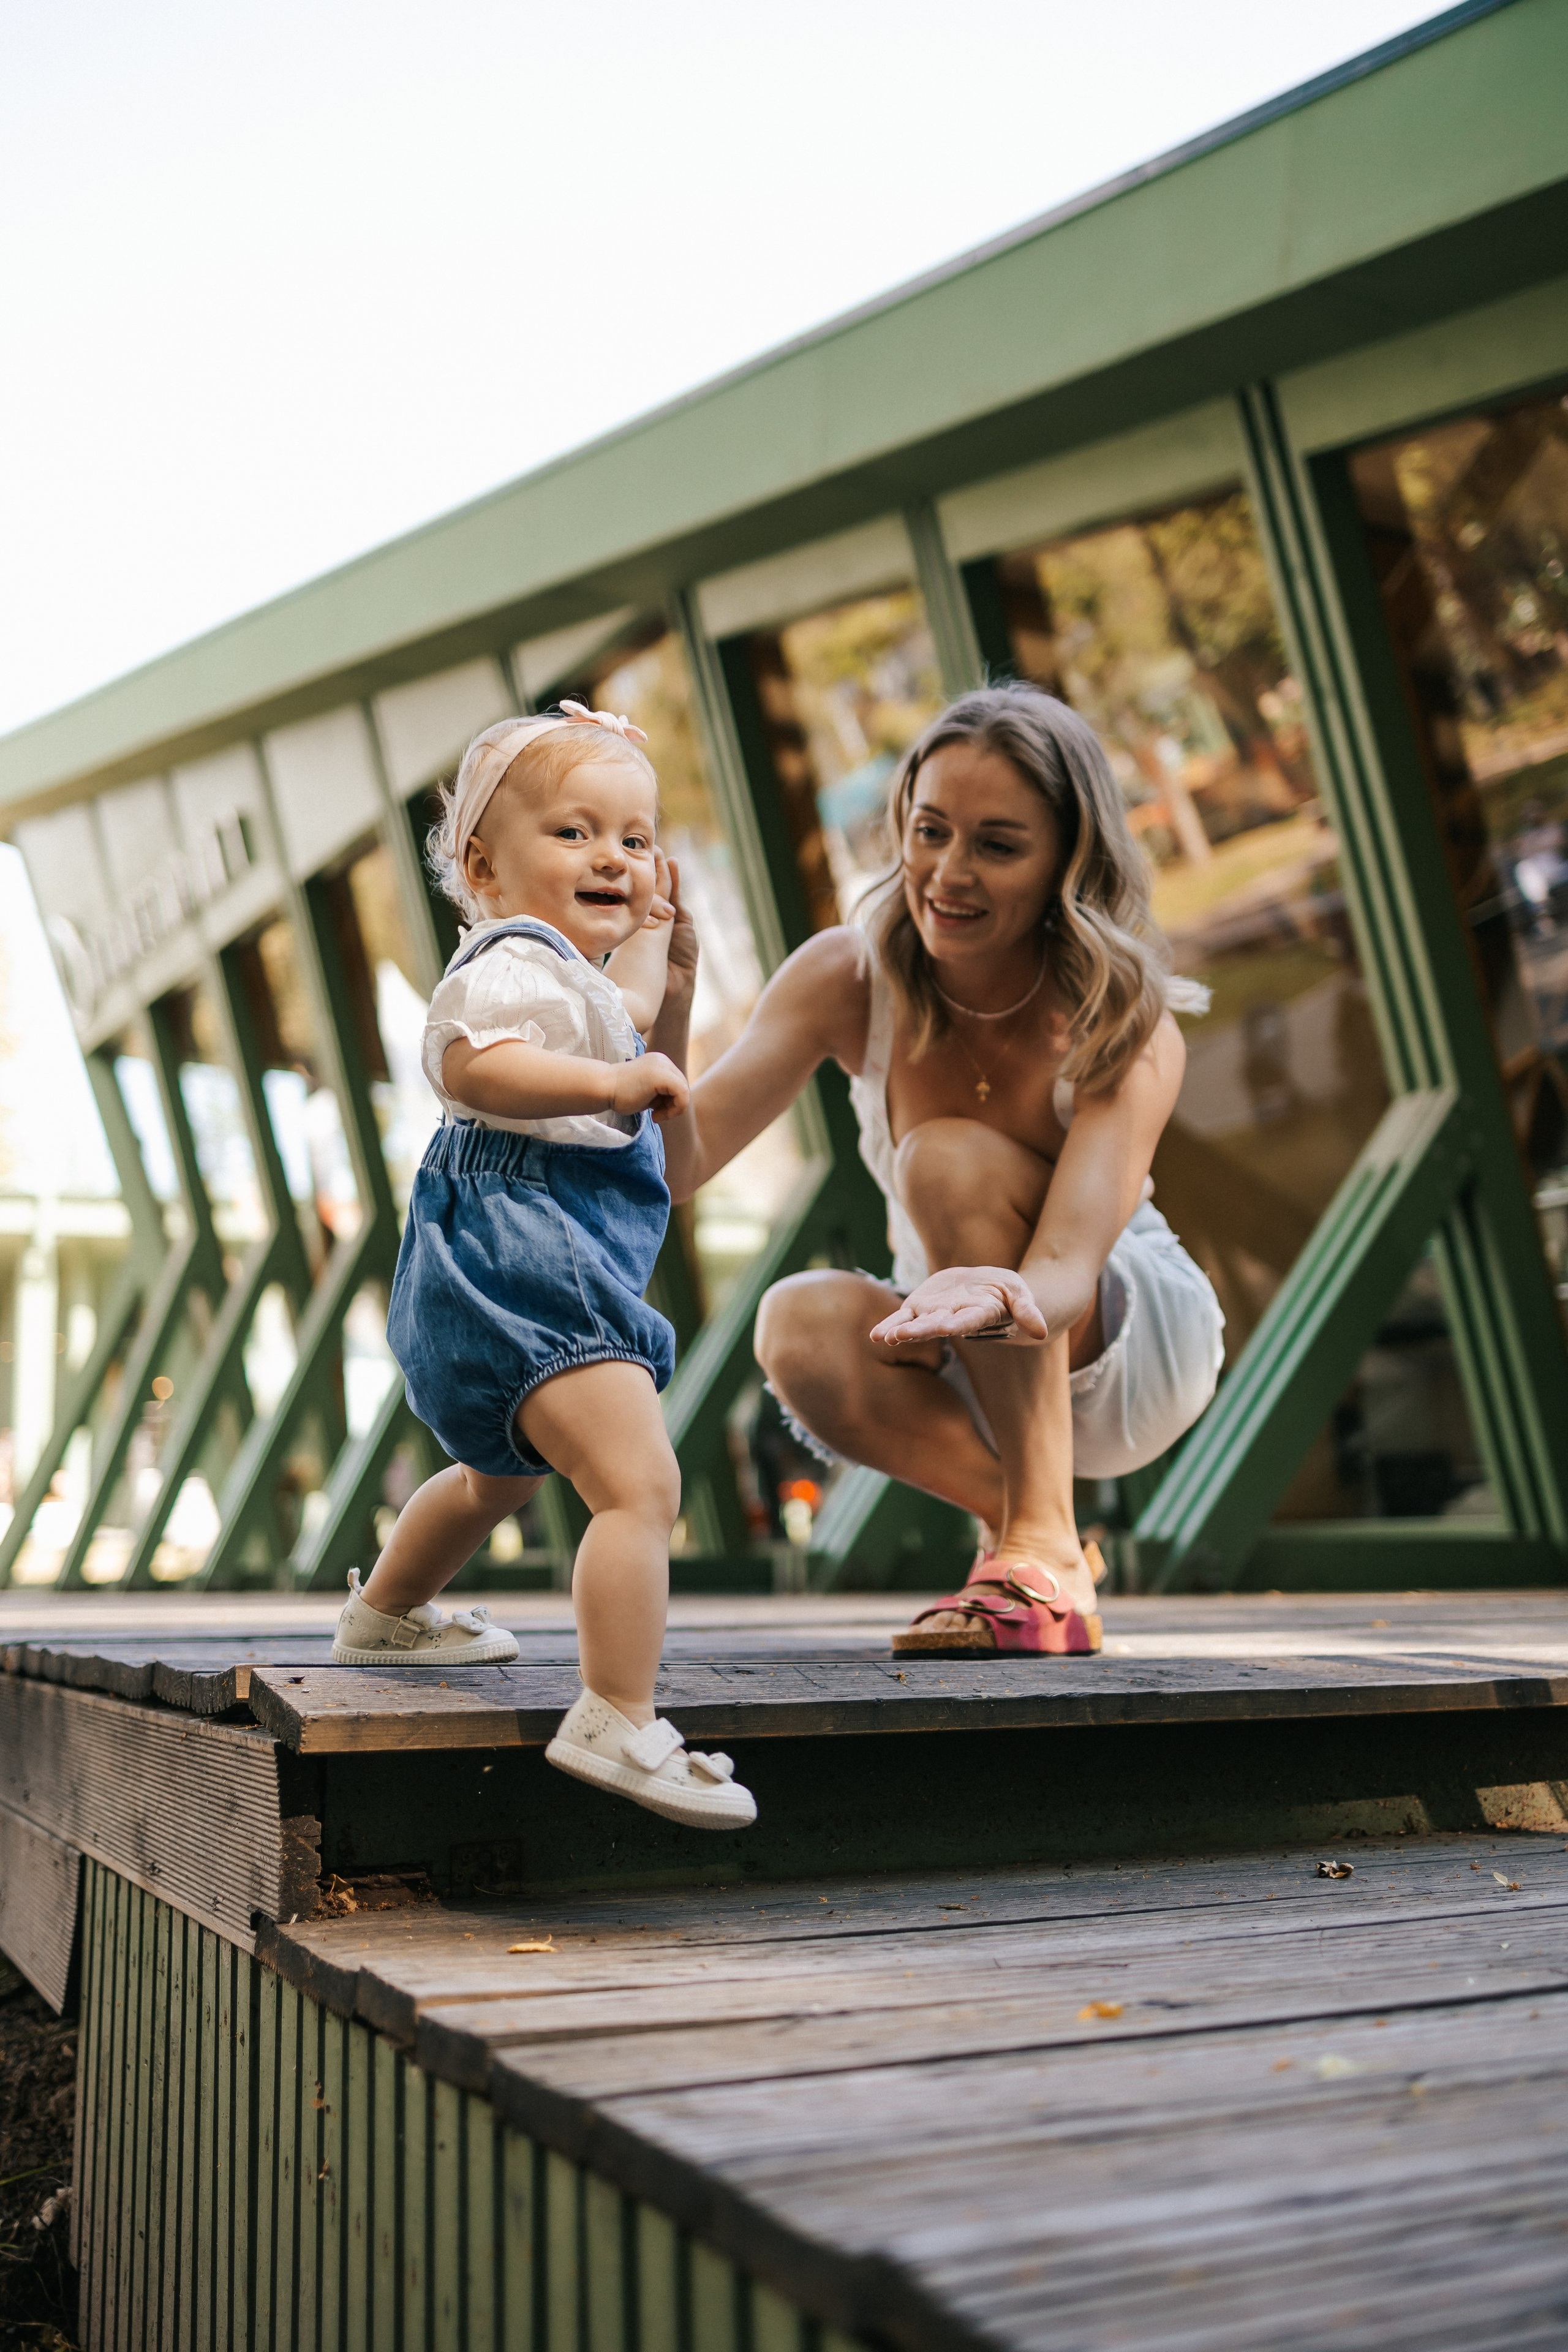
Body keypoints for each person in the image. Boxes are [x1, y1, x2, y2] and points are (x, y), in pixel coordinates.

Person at [658, 681, 1225, 1656]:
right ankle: (1041, 1550)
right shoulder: (848, 975)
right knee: (794, 1323)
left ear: (1064, 863)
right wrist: (666, 1010)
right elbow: (677, 1168)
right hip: (960, 1331)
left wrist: (989, 1293)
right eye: (930, 832)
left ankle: (1038, 1545)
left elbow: (1066, 1266)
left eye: (997, 846)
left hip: (1120, 1331)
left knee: (945, 1161)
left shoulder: (1124, 1017)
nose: (947, 873)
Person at [331, 704, 756, 1832]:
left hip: (480, 1273)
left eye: (634, 835)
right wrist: (614, 1087)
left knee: (496, 1477)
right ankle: (618, 1712)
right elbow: (478, 1069)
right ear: (484, 868)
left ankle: (387, 1612)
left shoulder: (575, 979)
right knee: (640, 1486)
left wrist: (668, 948)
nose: (613, 856)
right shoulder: (512, 960)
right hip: (531, 1257)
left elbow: (627, 1013)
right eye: (574, 833)